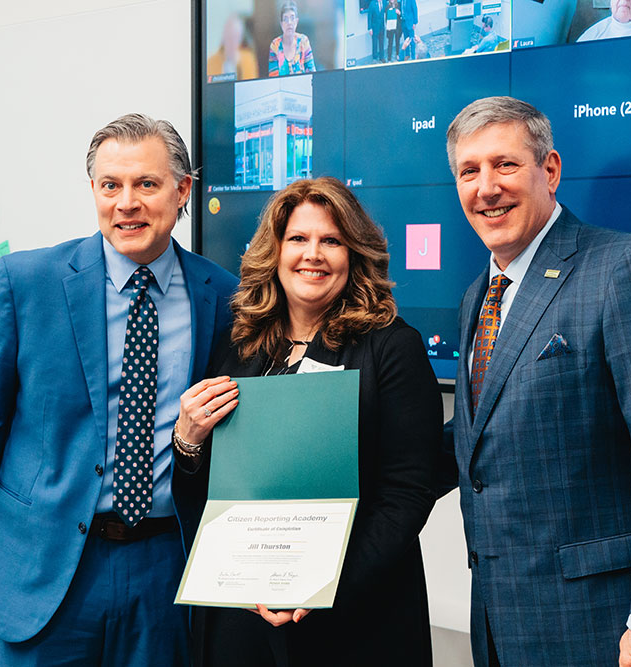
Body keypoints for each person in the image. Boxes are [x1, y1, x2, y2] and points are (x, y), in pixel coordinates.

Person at [441, 96, 631, 666]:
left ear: (550, 170)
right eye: (469, 171)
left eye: (505, 164)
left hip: (616, 632)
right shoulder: (476, 298)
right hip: (506, 626)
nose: (486, 187)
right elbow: (484, 434)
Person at [0, 113, 238, 666]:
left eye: (146, 184)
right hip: (45, 567)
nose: (127, 202)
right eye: (111, 185)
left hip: (164, 568)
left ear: (182, 192)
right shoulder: (25, 282)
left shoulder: (221, 295)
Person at [173, 177, 442, 666]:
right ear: (274, 252)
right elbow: (206, 489)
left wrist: (322, 585)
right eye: (298, 239)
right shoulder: (240, 346)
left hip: (353, 617)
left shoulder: (391, 347)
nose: (312, 254)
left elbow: (407, 494)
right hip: (242, 614)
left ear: (354, 254)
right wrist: (187, 439)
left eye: (331, 241)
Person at [268, 1, 316, 76]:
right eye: (285, 19)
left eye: (292, 18)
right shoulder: (275, 45)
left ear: (296, 21)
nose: (289, 22)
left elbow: (312, 74)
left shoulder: (303, 41)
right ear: (281, 24)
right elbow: (273, 78)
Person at [207, 13, 258, 81]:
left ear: (240, 39)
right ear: (223, 37)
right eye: (229, 37)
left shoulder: (248, 59)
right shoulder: (211, 62)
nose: (232, 42)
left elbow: (251, 86)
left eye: (235, 37)